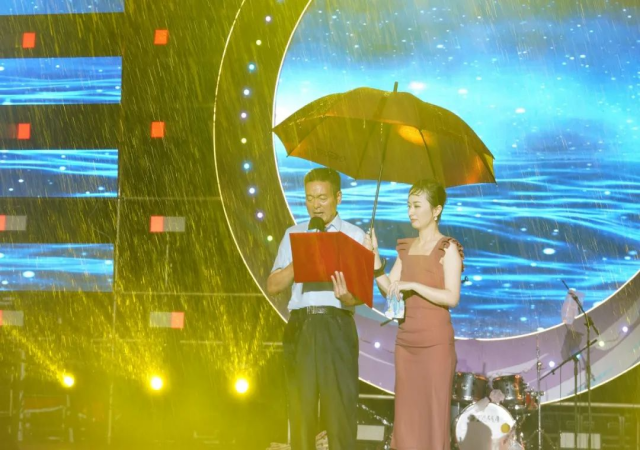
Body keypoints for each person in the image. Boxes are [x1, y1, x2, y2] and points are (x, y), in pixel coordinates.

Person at [266, 167, 366, 450]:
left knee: (340, 411)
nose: (315, 205)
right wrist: (301, 258)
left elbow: (360, 296)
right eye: (310, 198)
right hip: (301, 326)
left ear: (338, 197)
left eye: (322, 198)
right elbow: (273, 285)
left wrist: (347, 297)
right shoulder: (293, 233)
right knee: (300, 410)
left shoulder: (354, 235)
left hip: (337, 325)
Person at [364, 178, 464, 450]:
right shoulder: (405, 248)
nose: (410, 211)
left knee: (433, 420)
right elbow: (390, 290)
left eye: (417, 205)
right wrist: (375, 262)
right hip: (406, 344)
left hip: (435, 345)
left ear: (436, 210)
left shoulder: (448, 248)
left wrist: (415, 286)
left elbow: (452, 297)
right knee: (406, 421)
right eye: (408, 205)